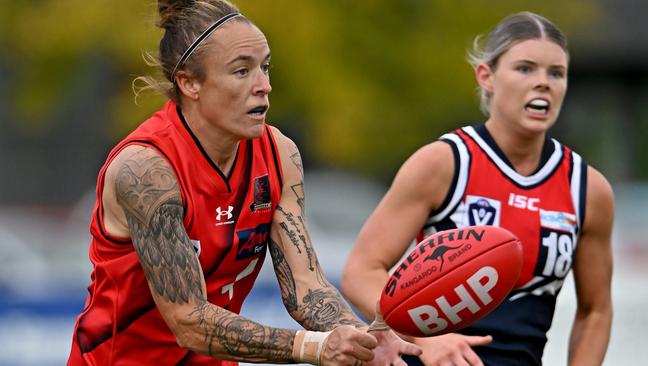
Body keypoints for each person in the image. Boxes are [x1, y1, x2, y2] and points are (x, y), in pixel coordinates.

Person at [66, 1, 421, 365]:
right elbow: (189, 322)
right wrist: (313, 347)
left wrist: (359, 338)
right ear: (189, 83)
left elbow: (306, 288)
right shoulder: (146, 170)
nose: (264, 86)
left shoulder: (279, 154)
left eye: (264, 67)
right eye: (241, 71)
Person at [342, 11, 613, 366]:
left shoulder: (587, 188)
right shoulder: (444, 163)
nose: (543, 82)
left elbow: (596, 310)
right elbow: (361, 271)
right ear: (486, 76)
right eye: (525, 68)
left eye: (556, 73)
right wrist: (428, 338)